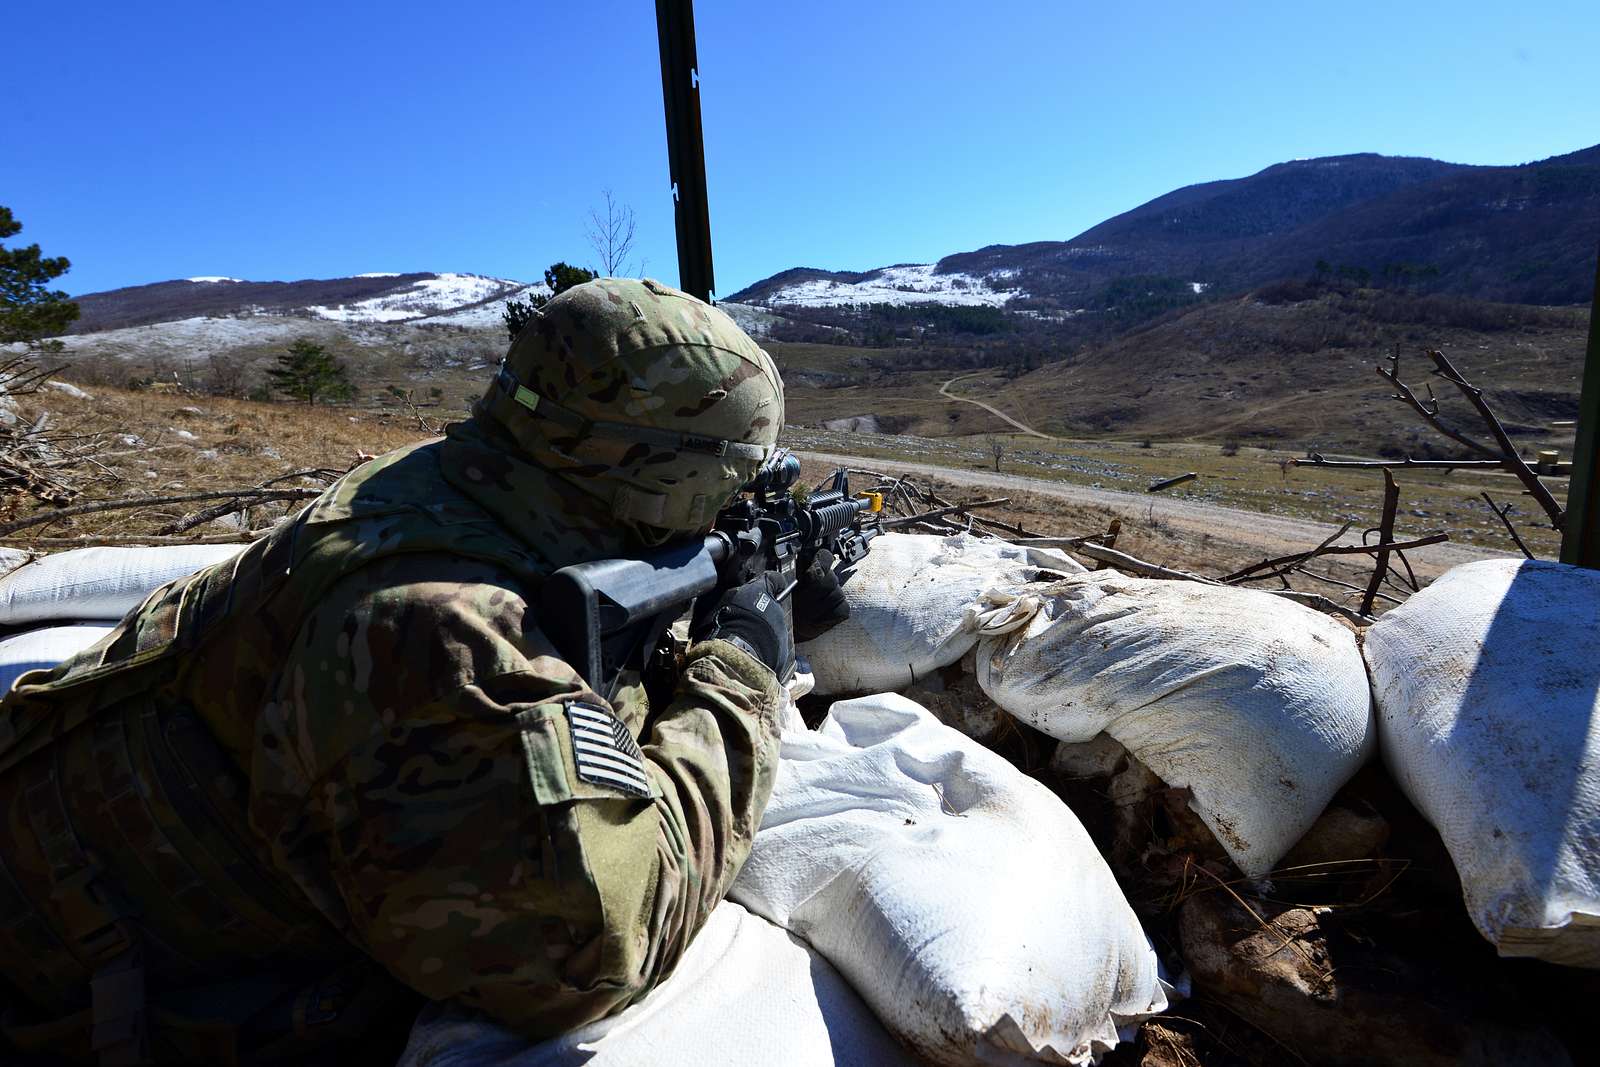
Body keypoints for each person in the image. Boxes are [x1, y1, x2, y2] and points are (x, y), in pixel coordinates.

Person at [0, 278, 841, 1065]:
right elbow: (585, 956)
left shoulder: (460, 483)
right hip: (78, 992)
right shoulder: (446, 634)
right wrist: (739, 670)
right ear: (668, 473)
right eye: (731, 473)